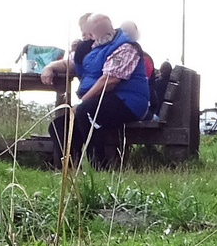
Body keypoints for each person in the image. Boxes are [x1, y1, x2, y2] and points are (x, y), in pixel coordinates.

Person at [43, 14, 150, 168]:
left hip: (129, 102)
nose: (105, 30)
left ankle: (99, 165)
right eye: (99, 28)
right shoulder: (88, 49)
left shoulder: (126, 46)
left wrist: (81, 102)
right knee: (59, 125)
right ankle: (67, 170)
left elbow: (109, 81)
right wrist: (50, 67)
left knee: (86, 112)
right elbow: (69, 64)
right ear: (91, 34)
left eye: (106, 25)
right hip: (100, 100)